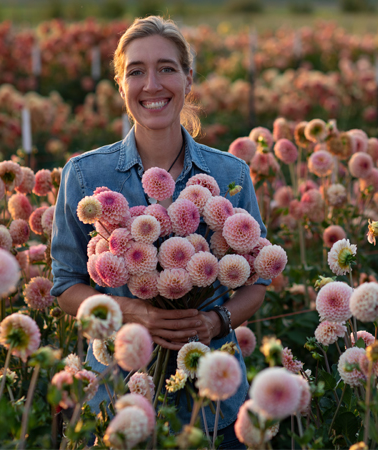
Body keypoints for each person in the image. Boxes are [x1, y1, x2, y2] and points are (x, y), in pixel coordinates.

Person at [50, 15, 269, 448]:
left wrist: (214, 320)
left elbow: (257, 280)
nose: (152, 84)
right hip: (116, 397)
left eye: (167, 68)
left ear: (188, 80)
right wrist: (134, 314)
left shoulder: (230, 173)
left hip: (213, 402)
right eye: (136, 71)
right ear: (120, 84)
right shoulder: (84, 175)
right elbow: (65, 286)